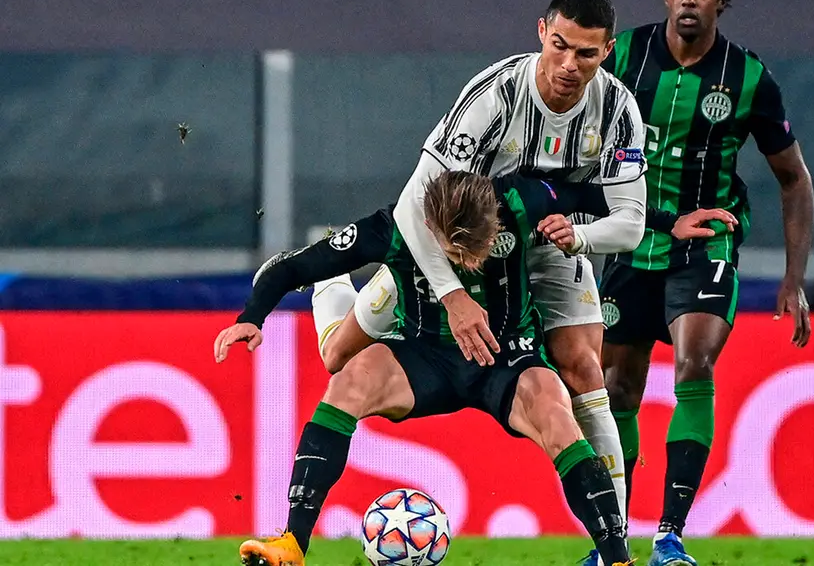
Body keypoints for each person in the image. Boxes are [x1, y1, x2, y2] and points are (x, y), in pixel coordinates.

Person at [303, 0, 647, 536]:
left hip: (554, 245)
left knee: (582, 368)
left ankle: (615, 542)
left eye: (586, 53)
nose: (568, 64)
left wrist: (578, 240)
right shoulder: (494, 97)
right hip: (461, 247)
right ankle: (331, 288)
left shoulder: (619, 109)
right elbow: (416, 202)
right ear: (542, 32)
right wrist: (454, 297)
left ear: (606, 52)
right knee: (338, 358)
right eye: (559, 45)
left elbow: (630, 223)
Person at [216, 171, 634, 566]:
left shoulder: (521, 199)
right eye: (456, 253)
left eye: (481, 248)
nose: (470, 263)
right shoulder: (396, 225)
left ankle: (617, 557)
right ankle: (292, 543)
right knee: (344, 377)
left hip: (507, 357)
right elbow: (294, 266)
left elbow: (607, 198)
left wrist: (671, 221)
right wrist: (251, 317)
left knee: (557, 416)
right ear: (431, 230)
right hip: (425, 354)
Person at [597, 0, 814, 565]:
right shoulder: (622, 56)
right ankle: (613, 542)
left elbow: (794, 179)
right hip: (630, 241)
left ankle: (669, 536)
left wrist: (794, 278)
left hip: (707, 247)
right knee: (616, 388)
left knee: (694, 363)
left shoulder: (748, 78)